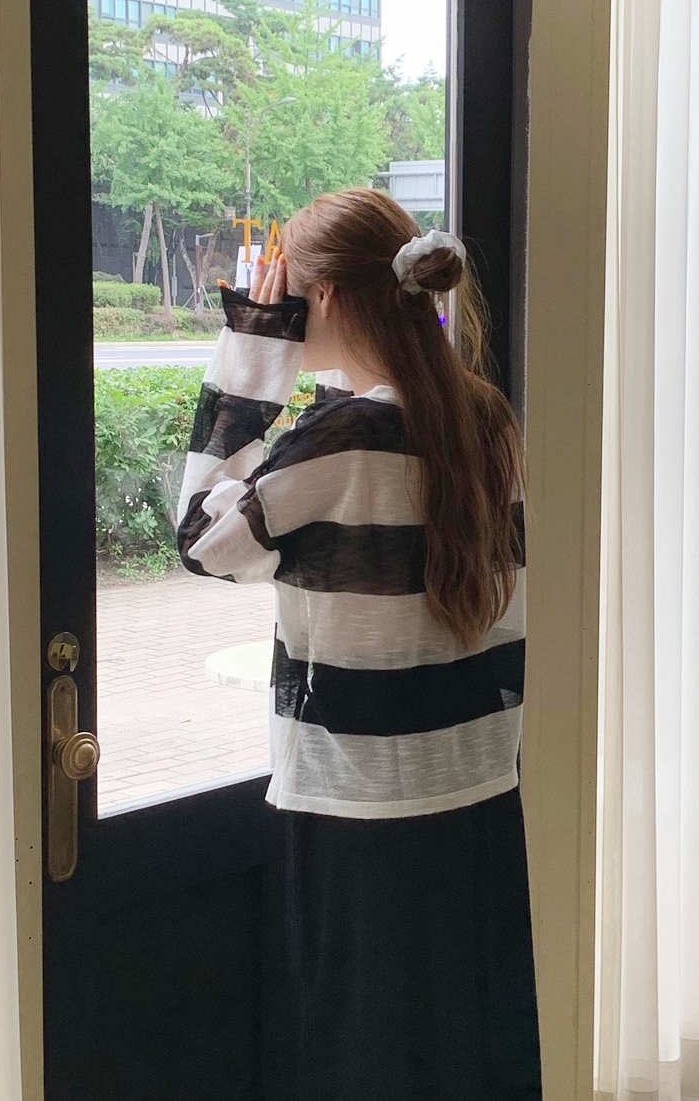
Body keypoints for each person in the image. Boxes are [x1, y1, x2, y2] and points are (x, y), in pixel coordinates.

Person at [177, 187, 541, 1098]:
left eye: (289, 291)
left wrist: (250, 358)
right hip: (479, 790)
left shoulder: (336, 438)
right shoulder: (485, 417)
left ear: (328, 297)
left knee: (361, 1056)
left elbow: (202, 540)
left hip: (359, 810)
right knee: (466, 1052)